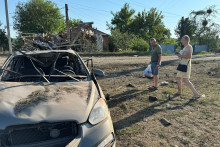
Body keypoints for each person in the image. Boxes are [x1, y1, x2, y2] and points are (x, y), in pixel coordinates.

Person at [175, 35, 200, 99]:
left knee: (186, 80)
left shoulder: (189, 47)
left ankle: (196, 94)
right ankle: (179, 91)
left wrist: (180, 55)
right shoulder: (185, 47)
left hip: (186, 66)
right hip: (182, 64)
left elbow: (189, 57)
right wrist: (180, 55)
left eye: (182, 40)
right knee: (178, 78)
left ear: (186, 40)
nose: (181, 41)